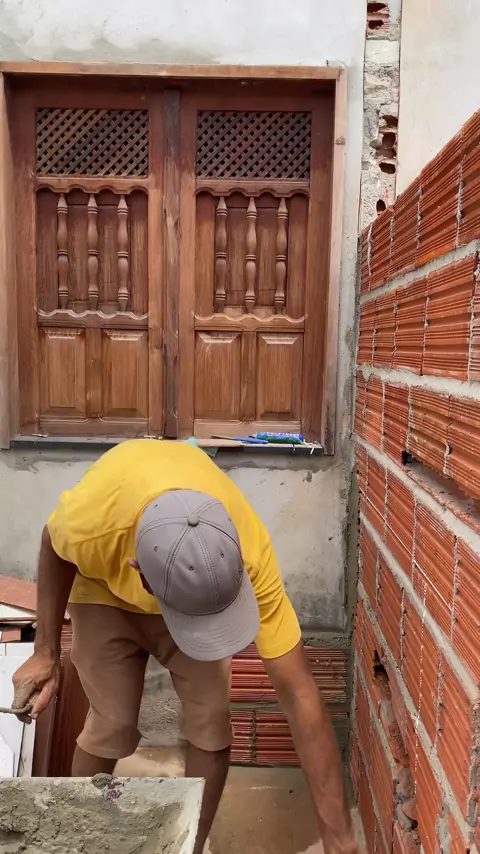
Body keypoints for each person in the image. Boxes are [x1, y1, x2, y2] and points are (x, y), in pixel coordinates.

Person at [12, 439, 357, 854]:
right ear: (140, 572)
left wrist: (340, 838)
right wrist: (45, 654)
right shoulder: (94, 525)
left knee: (211, 721)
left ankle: (191, 844)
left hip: (185, 581)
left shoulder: (247, 554)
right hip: (103, 592)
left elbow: (300, 694)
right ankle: (82, 839)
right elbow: (53, 543)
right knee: (111, 723)